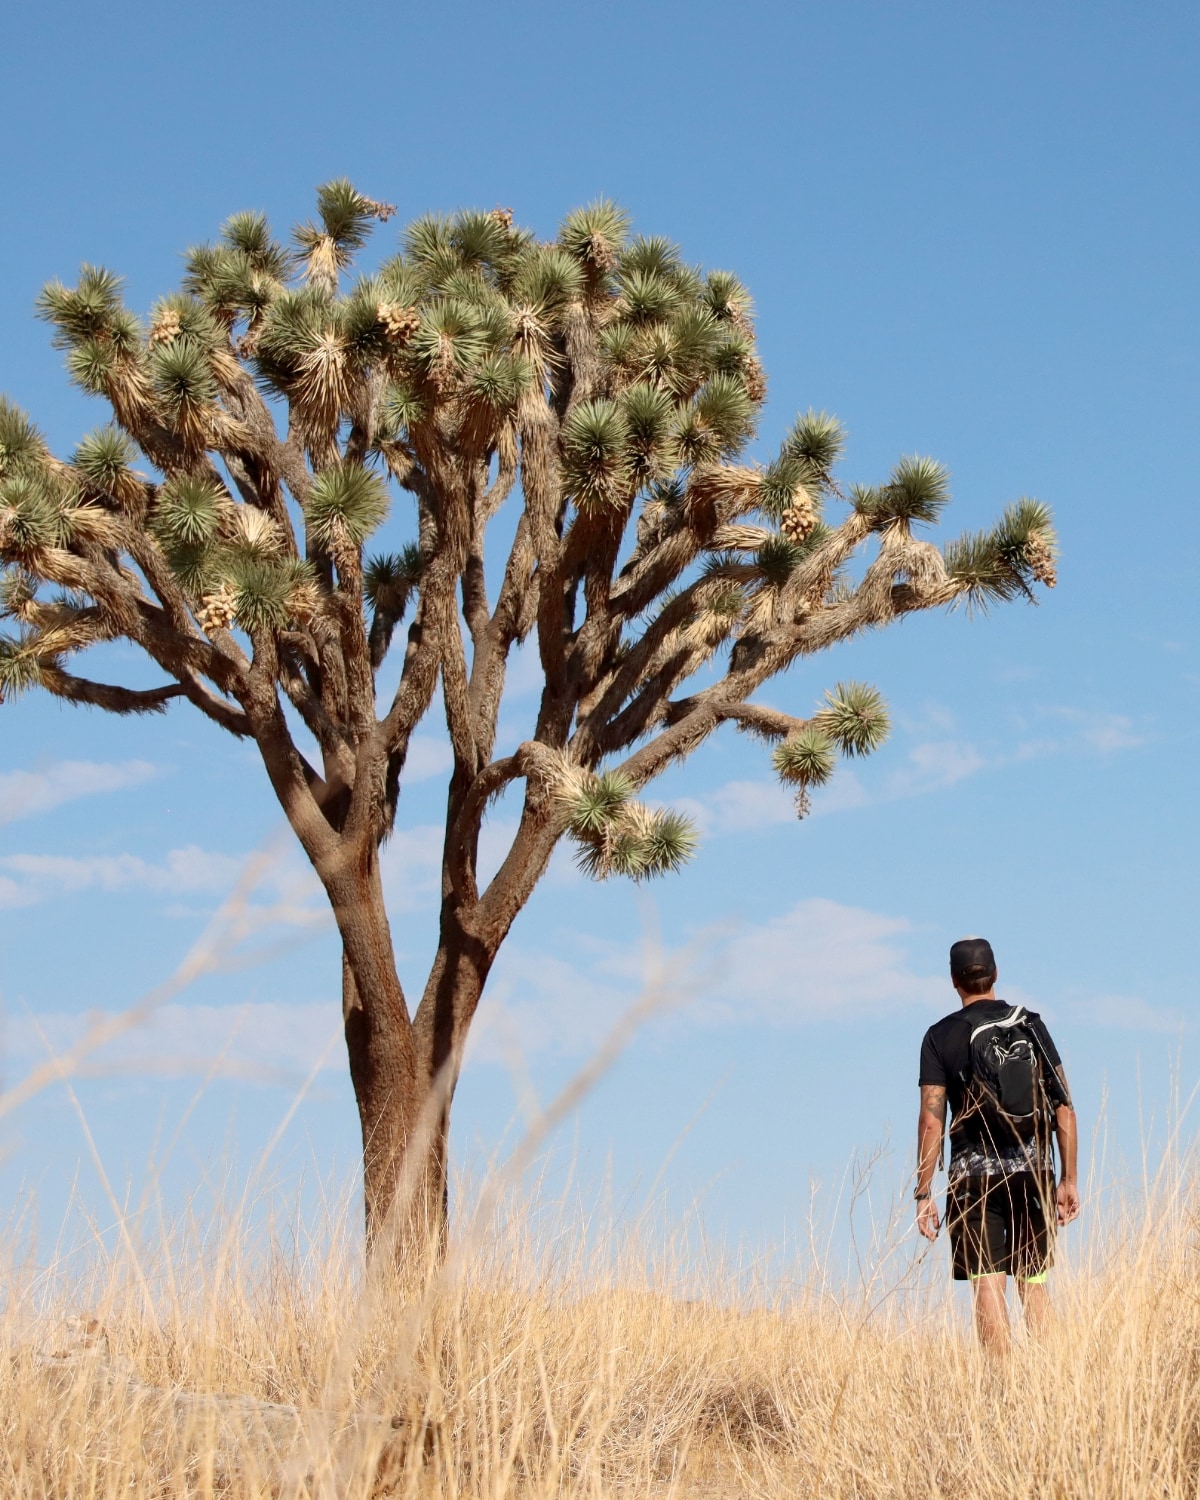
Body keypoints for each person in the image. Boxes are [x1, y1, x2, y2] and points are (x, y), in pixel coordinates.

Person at [915, 936, 1080, 1354]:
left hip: (972, 1181)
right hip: (1033, 1174)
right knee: (1034, 1280)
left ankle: (1001, 1390)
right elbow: (1065, 1108)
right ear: (996, 974)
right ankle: (1053, 1381)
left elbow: (932, 1120)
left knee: (987, 1281)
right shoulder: (1030, 1024)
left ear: (954, 981)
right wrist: (1068, 1179)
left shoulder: (941, 1037)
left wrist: (922, 1192)